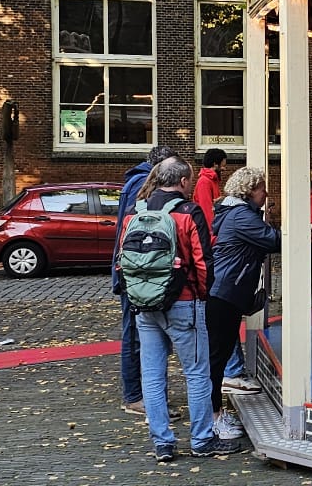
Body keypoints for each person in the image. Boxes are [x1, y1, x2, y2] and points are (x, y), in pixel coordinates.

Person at [128, 156, 242, 462]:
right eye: (189, 180)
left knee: (152, 376)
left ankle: (162, 442)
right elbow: (203, 261)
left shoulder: (135, 212)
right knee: (196, 373)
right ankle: (202, 440)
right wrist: (202, 295)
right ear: (182, 182)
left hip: (144, 304)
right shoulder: (188, 212)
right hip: (184, 303)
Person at [207, 166, 280, 441]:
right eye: (262, 188)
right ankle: (213, 417)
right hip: (225, 293)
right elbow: (272, 240)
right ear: (250, 191)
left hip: (226, 293)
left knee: (218, 356)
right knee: (217, 359)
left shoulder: (236, 213)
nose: (266, 194)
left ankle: (212, 414)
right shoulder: (241, 216)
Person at [114, 145, 175, 416]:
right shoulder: (142, 184)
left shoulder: (134, 181)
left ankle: (143, 395)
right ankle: (136, 396)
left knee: (138, 333)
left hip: (132, 269)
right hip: (138, 271)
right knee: (135, 335)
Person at [193, 147, 228, 225]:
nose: (224, 169)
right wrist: (213, 233)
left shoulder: (212, 180)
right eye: (223, 165)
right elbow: (207, 211)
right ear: (215, 164)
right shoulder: (204, 182)